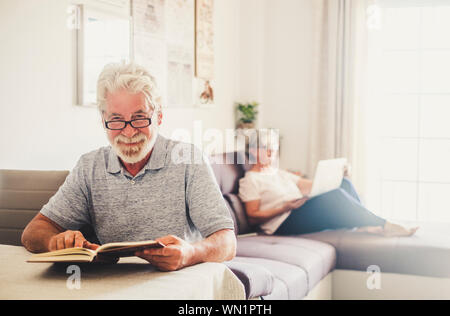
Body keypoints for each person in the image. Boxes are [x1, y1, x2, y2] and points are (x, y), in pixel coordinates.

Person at [21, 62, 236, 271]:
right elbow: (33, 232)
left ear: (159, 117)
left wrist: (189, 254)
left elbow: (227, 243)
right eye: (116, 120)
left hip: (178, 283)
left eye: (140, 118)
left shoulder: (188, 160)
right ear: (103, 119)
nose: (129, 132)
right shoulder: (89, 167)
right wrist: (55, 242)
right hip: (111, 285)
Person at [238, 129, 419, 237]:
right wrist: (284, 207)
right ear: (254, 151)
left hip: (297, 210)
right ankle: (386, 225)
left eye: (274, 150)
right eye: (268, 150)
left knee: (344, 185)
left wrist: (337, 176)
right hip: (283, 223)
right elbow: (253, 216)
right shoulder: (250, 180)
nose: (273, 154)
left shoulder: (280, 174)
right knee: (335, 197)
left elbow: (311, 185)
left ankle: (365, 224)